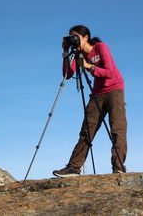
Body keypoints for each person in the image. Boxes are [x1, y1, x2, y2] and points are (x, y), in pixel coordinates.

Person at [53, 25, 128, 178]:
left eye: (75, 37)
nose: (73, 40)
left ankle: (118, 167)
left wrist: (89, 66)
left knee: (117, 129)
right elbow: (68, 74)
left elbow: (109, 72)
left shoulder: (100, 47)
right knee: (87, 130)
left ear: (86, 37)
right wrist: (66, 52)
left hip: (114, 89)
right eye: (70, 38)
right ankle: (73, 168)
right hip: (97, 93)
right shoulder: (78, 53)